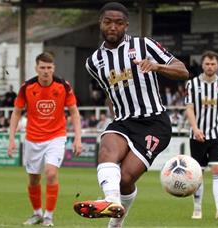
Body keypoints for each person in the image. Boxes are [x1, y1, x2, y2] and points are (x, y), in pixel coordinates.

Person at [73, 2, 189, 228]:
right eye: (108, 22)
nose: (112, 27)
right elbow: (109, 92)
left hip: (154, 122)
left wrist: (156, 66)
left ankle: (115, 222)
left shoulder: (144, 45)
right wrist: (115, 118)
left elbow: (183, 70)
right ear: (100, 24)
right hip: (124, 121)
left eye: (118, 23)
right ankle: (111, 200)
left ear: (126, 25)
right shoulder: (93, 63)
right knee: (107, 145)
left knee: (125, 180)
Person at [7, 52, 82, 227]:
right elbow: (16, 112)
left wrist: (78, 138)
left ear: (53, 68)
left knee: (51, 173)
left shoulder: (63, 86)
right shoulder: (27, 87)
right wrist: (11, 138)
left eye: (49, 67)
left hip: (56, 137)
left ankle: (48, 216)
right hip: (32, 138)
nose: (46, 71)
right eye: (42, 67)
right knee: (34, 179)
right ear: (36, 68)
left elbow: (74, 112)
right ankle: (37, 214)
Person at [184, 51, 218, 220]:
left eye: (213, 64)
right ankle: (197, 209)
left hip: (217, 134)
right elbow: (189, 108)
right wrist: (195, 128)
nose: (210, 66)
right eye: (207, 63)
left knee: (217, 169)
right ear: (202, 65)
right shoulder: (192, 84)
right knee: (198, 173)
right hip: (197, 135)